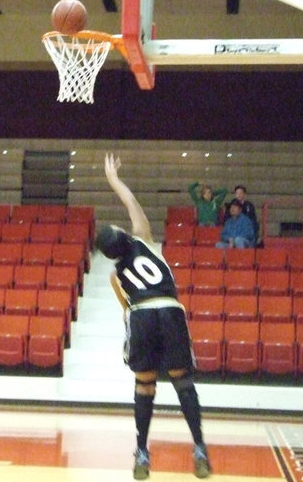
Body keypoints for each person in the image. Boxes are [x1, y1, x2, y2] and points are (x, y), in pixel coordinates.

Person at [96, 154, 210, 480]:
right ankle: (199, 447)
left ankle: (143, 453)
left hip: (141, 315)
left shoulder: (115, 276)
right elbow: (133, 203)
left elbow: (127, 310)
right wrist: (114, 180)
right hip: (169, 310)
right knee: (183, 382)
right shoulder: (144, 240)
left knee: (144, 385)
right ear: (124, 236)